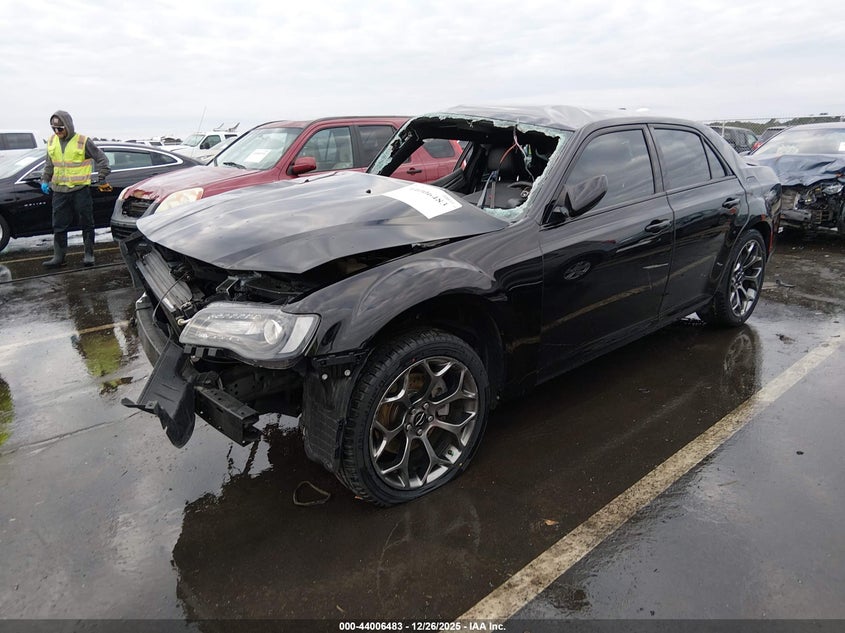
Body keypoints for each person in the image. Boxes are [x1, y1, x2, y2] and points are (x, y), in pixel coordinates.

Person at [40, 110, 110, 268]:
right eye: (54, 129)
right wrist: (45, 180)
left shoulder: (82, 141)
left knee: (86, 222)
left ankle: (89, 254)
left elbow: (102, 160)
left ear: (68, 126)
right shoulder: (52, 141)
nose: (57, 132)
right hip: (59, 191)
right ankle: (59, 257)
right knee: (58, 225)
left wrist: (101, 177)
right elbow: (49, 164)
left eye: (60, 128)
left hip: (80, 190)